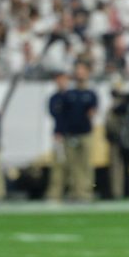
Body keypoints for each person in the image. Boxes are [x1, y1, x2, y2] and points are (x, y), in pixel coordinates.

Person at [62, 62, 98, 201]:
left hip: (86, 133)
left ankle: (86, 193)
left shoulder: (90, 93)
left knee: (86, 164)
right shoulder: (69, 94)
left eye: (82, 71)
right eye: (78, 71)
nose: (80, 74)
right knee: (72, 164)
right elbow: (63, 114)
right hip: (71, 133)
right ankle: (74, 193)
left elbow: (93, 111)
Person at [45, 71, 70, 201]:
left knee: (74, 165)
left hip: (72, 134)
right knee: (58, 165)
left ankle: (76, 192)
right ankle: (55, 193)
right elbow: (55, 115)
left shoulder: (72, 95)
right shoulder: (54, 98)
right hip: (59, 134)